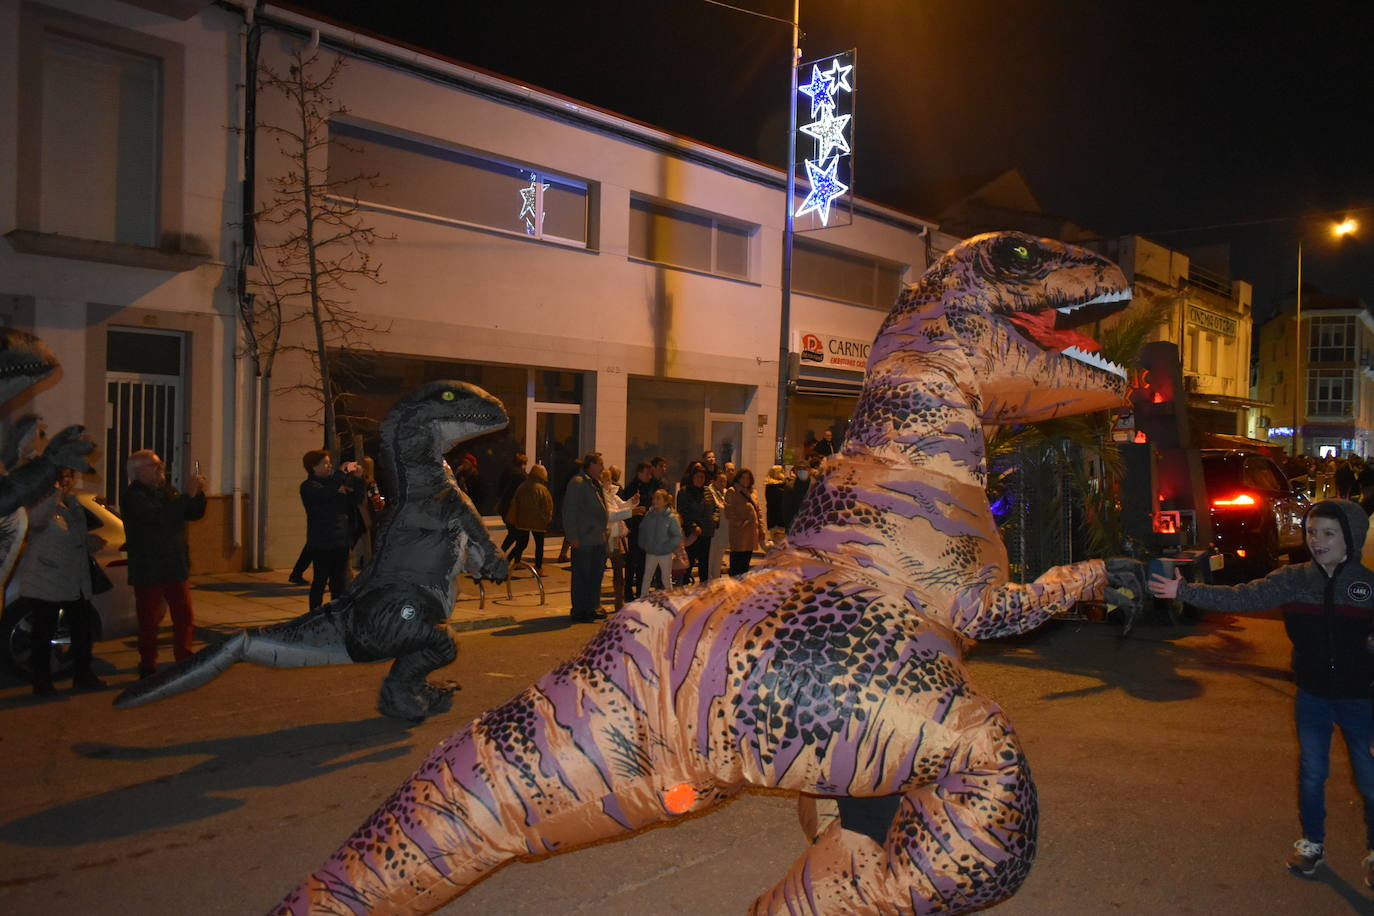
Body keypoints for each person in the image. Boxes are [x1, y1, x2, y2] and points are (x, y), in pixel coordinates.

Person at [1149, 498, 1374, 884]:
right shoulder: (1294, 579)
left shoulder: (1367, 587)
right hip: (1313, 696)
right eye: (1311, 532)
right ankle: (1311, 844)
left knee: (1370, 778)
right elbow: (1242, 596)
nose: (1317, 541)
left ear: (1350, 537)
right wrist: (1186, 591)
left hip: (1361, 699)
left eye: (1328, 533)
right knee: (1312, 773)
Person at [121, 449, 206, 679]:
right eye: (154, 466)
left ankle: (184, 657)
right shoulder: (133, 496)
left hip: (174, 564)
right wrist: (186, 497)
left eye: (160, 465)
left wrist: (196, 494)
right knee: (149, 620)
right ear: (138, 471)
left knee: (184, 615)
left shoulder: (165, 490)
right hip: (149, 567)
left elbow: (191, 512)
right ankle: (147, 663)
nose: (161, 470)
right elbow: (159, 518)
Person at [20, 469, 105, 695]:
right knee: (43, 631)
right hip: (45, 579)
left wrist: (89, 541)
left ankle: (83, 674)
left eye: (69, 476)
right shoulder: (38, 501)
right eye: (61, 477)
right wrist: (53, 493)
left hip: (74, 580)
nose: (66, 481)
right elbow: (36, 523)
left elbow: (73, 535)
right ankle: (42, 682)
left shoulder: (72, 503)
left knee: (82, 629)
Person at [299, 449, 366, 610]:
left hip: (341, 541)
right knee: (320, 581)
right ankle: (314, 613)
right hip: (321, 542)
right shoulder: (309, 486)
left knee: (339, 583)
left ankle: (336, 614)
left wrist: (357, 480)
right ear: (314, 468)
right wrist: (339, 474)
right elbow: (325, 495)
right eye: (326, 463)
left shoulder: (336, 483)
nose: (329, 466)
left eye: (330, 463)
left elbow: (357, 499)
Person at [563, 452, 609, 623]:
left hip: (598, 538)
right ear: (591, 465)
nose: (602, 468)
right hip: (584, 538)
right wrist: (573, 537)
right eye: (600, 464)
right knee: (582, 575)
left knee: (595, 575)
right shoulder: (578, 483)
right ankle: (580, 609)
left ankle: (592, 606)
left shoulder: (594, 484)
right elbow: (569, 512)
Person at [601, 465, 641, 611]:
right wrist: (632, 511)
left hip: (614, 536)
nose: (611, 483)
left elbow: (623, 506)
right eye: (608, 480)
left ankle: (619, 601)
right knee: (610, 568)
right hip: (606, 536)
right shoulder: (602, 496)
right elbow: (611, 515)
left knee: (618, 568)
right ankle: (612, 601)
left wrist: (633, 501)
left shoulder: (611, 494)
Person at [620, 461, 659, 601]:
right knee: (632, 561)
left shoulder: (651, 486)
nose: (649, 476)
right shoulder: (632, 488)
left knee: (643, 561)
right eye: (647, 473)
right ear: (639, 473)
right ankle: (628, 590)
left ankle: (641, 591)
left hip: (647, 529)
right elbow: (625, 508)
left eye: (650, 474)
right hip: (636, 528)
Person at [506, 464, 553, 571]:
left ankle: (509, 561)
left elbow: (516, 502)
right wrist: (547, 519)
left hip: (523, 520)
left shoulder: (522, 486)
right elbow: (547, 506)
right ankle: (539, 567)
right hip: (538, 522)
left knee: (521, 543)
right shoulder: (542, 489)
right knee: (539, 545)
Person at [637, 489, 683, 596]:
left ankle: (671, 598)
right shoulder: (649, 515)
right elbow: (642, 530)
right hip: (651, 551)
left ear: (665, 501)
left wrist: (668, 548)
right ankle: (642, 598)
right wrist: (644, 544)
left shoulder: (671, 518)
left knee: (666, 578)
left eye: (658, 498)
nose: (655, 500)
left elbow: (676, 535)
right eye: (654, 498)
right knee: (647, 576)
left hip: (665, 552)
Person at [678, 466, 717, 584]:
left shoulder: (708, 491)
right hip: (692, 534)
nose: (700, 479)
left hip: (706, 531)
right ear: (692, 477)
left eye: (702, 477)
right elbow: (683, 512)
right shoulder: (684, 492)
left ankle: (703, 588)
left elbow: (715, 508)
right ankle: (684, 585)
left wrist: (715, 520)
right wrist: (693, 526)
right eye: (697, 477)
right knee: (688, 561)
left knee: (704, 562)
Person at [723, 468, 766, 577]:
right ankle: (734, 585)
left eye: (748, 478)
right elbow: (728, 511)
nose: (746, 480)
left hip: (751, 532)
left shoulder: (753, 492)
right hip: (739, 532)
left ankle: (742, 585)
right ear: (738, 478)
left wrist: (761, 528)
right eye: (743, 477)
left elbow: (758, 511)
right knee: (737, 561)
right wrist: (741, 523)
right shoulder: (732, 491)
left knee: (746, 561)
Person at [496, 453, 528, 558]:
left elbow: (499, 490)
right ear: (522, 464)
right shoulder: (520, 476)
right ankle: (501, 557)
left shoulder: (507, 473)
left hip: (504, 507)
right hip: (513, 509)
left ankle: (507, 558)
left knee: (513, 534)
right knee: (518, 537)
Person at [708, 469, 730, 580]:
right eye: (720, 481)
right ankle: (708, 581)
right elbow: (718, 507)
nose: (723, 484)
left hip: (723, 531)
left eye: (725, 481)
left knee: (719, 557)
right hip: (713, 531)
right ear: (714, 481)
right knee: (710, 557)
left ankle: (716, 580)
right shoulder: (709, 491)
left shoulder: (726, 492)